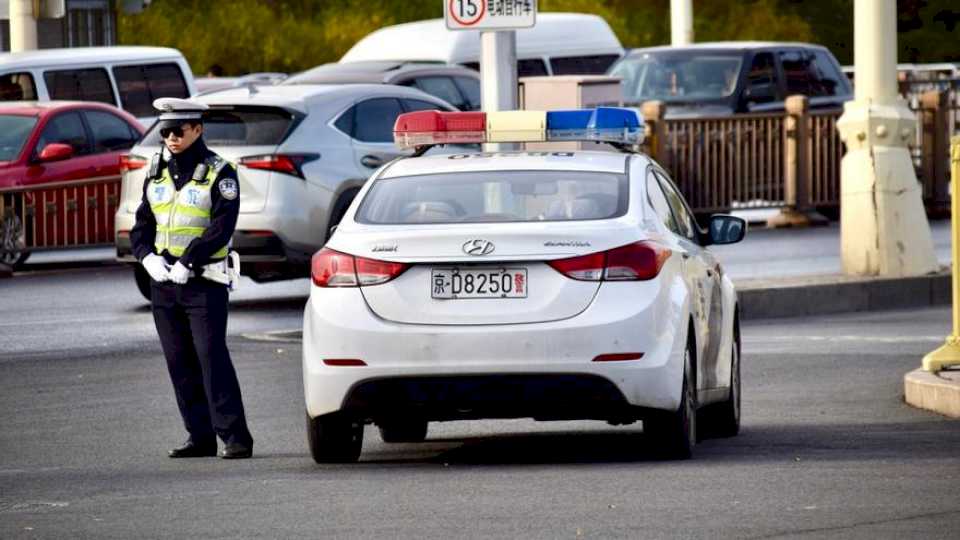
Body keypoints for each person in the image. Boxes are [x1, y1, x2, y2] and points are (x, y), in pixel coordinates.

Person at [130, 97, 253, 459]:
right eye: (165, 131)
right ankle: (199, 437)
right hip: (164, 283)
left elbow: (221, 226)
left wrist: (189, 259)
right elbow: (142, 225)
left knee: (210, 356)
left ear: (197, 129)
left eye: (178, 130)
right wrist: (147, 258)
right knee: (178, 360)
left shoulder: (220, 172)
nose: (170, 137)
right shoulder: (156, 172)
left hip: (203, 281)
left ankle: (235, 437)